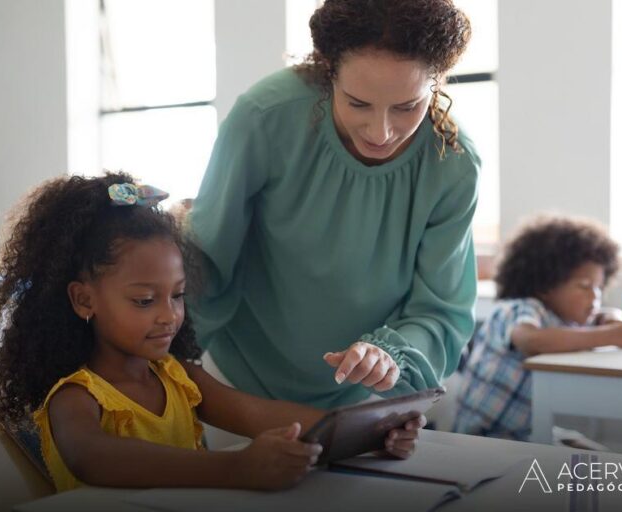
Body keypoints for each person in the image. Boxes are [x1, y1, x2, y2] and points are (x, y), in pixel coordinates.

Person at [0, 172, 422, 492]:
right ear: (84, 300)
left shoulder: (180, 377)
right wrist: (235, 470)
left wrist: (370, 433)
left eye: (176, 296)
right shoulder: (75, 397)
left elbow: (260, 415)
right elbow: (94, 459)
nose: (168, 316)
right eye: (144, 300)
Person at [184, 0, 479, 418]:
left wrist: (388, 354)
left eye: (407, 107)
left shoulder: (455, 162)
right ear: (328, 71)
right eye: (358, 103)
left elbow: (439, 311)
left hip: (360, 401)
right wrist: (167, 364)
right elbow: (207, 258)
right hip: (236, 381)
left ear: (438, 85)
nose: (381, 132)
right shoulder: (265, 116)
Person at [452, 216, 622, 441]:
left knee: (593, 455)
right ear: (545, 284)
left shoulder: (562, 318)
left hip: (527, 433)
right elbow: (532, 341)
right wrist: (611, 335)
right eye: (584, 286)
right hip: (484, 440)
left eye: (599, 288)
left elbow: (602, 317)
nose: (595, 297)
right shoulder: (518, 309)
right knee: (588, 468)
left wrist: (614, 318)